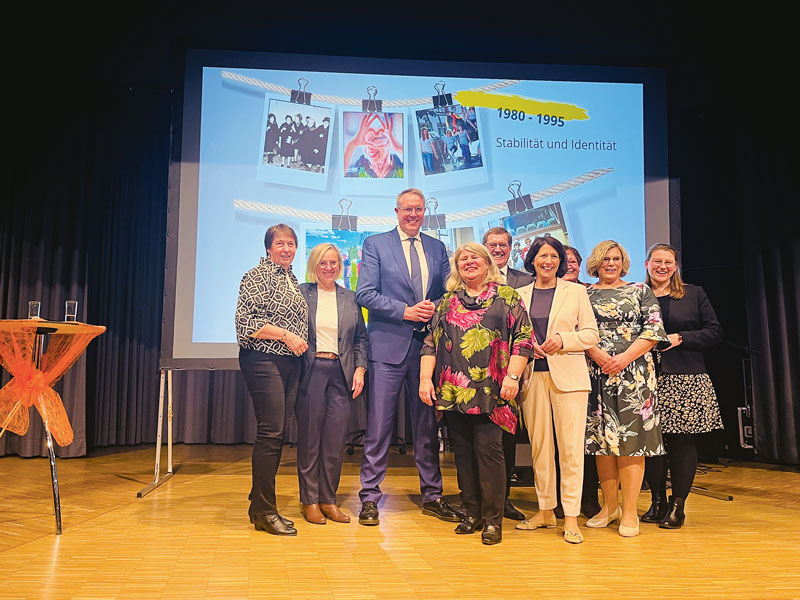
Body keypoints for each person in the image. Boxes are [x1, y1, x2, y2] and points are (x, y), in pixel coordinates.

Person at [355, 188, 461, 526]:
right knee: (379, 427)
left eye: (418, 209)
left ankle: (433, 496)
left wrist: (434, 310)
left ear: (424, 211)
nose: (413, 214)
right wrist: (406, 311)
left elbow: (447, 295)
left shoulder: (436, 247)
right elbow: (365, 293)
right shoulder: (376, 244)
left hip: (428, 351)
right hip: (387, 349)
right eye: (407, 209)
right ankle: (370, 498)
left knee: (427, 427)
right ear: (397, 211)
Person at [419, 242, 533, 545]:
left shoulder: (507, 297)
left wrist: (513, 376)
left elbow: (523, 339)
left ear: (487, 263)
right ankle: (471, 512)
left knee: (490, 453)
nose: (469, 262)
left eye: (475, 258)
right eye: (463, 259)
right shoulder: (446, 302)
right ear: (457, 266)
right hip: (454, 389)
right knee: (464, 454)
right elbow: (431, 343)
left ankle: (493, 519)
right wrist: (424, 380)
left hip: (493, 389)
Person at [514, 236, 599, 544]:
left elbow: (591, 334)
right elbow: (513, 333)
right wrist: (525, 347)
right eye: (541, 255)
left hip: (570, 379)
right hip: (531, 377)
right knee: (540, 448)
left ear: (560, 261)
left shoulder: (576, 292)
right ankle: (545, 510)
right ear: (532, 260)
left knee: (571, 451)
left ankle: (571, 517)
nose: (547, 261)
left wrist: (564, 340)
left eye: (553, 256)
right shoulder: (519, 294)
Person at [583, 240, 668, 537]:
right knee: (602, 443)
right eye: (605, 258)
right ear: (595, 262)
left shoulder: (639, 291)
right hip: (596, 373)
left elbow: (655, 329)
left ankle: (629, 510)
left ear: (624, 262)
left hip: (634, 375)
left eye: (616, 258)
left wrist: (623, 358)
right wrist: (598, 355)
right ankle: (609, 507)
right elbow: (579, 329)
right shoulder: (584, 293)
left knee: (632, 443)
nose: (610, 263)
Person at [641, 243, 724, 528]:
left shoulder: (694, 293)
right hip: (645, 378)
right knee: (651, 444)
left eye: (668, 262)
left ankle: (678, 506)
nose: (662, 267)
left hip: (686, 377)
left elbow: (714, 331)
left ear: (675, 266)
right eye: (657, 261)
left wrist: (681, 338)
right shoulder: (637, 294)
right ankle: (657, 502)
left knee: (682, 442)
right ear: (646, 264)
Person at [236, 224, 309, 536]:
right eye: (280, 243)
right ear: (269, 248)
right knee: (271, 433)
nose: (286, 249)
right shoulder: (258, 275)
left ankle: (258, 503)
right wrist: (287, 336)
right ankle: (265, 511)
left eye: (291, 244)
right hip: (264, 359)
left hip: (289, 363)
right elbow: (245, 323)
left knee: (276, 434)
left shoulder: (291, 279)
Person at [296, 243, 369, 525]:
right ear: (314, 265)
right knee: (310, 439)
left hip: (343, 375)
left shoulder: (350, 298)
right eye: (323, 263)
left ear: (341, 265)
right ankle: (310, 500)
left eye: (334, 262)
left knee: (335, 442)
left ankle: (329, 500)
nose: (329, 267)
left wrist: (360, 368)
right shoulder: (302, 293)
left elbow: (361, 339)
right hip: (311, 372)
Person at [482, 226, 533, 521]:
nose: (497, 249)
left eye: (503, 245)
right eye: (492, 244)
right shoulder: (470, 280)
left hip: (514, 369)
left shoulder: (525, 281)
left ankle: (504, 498)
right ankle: (479, 497)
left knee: (507, 434)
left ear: (511, 248)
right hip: (481, 371)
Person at [561, 244, 600, 516]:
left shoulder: (589, 291)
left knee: (587, 440)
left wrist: (596, 354)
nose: (569, 266)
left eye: (573, 261)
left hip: (594, 371)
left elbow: (593, 331)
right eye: (564, 261)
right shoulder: (538, 293)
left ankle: (588, 498)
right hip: (558, 373)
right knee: (561, 442)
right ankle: (560, 502)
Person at [344, 112, 404, 178]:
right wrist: (352, 145)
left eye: (376, 139)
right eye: (366, 142)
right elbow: (338, 177)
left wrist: (399, 148)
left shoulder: (403, 169)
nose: (369, 148)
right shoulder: (358, 172)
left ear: (389, 141)